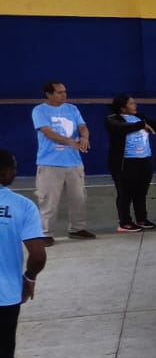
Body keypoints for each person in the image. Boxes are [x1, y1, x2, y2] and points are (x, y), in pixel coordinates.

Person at [0, 148, 47, 358]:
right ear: (4, 172)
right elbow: (38, 255)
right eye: (14, 167)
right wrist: (28, 278)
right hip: (5, 296)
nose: (16, 172)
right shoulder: (21, 206)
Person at [33, 81, 93, 244]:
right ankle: (45, 233)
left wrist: (84, 137)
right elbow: (48, 133)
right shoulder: (39, 110)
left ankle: (77, 229)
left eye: (64, 91)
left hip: (74, 162)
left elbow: (82, 126)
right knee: (49, 201)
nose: (64, 95)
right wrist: (71, 142)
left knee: (78, 198)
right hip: (50, 163)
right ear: (48, 94)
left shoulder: (72, 109)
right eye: (59, 92)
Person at [105, 94, 156, 233]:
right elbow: (122, 128)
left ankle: (141, 218)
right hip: (126, 162)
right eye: (132, 103)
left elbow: (153, 126)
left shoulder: (139, 117)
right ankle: (125, 222)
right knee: (125, 193)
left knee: (141, 192)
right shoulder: (112, 120)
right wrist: (142, 124)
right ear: (122, 108)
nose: (135, 105)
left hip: (144, 159)